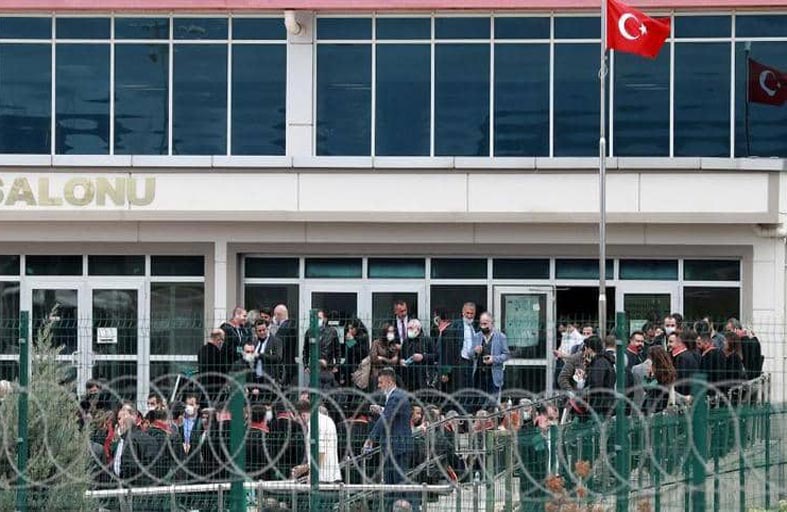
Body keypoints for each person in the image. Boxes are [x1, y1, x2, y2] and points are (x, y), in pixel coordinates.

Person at [365, 367, 413, 485]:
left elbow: (386, 418)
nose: (379, 386)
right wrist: (382, 409)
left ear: (389, 382)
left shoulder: (396, 397)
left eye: (381, 382)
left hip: (397, 446)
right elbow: (393, 413)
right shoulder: (397, 396)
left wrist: (371, 438)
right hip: (396, 445)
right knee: (392, 482)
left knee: (396, 482)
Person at [292, 399, 341, 483]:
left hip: (322, 479)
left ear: (303, 415)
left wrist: (308, 472)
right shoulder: (326, 420)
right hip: (330, 476)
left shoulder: (315, 424)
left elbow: (320, 452)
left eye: (298, 420)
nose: (299, 423)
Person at [470, 312, 510, 404]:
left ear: (492, 323)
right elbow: (470, 354)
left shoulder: (501, 337)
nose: (483, 326)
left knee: (492, 402)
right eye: (481, 324)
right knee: (479, 402)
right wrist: (475, 351)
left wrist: (494, 359)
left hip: (494, 374)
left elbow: (506, 355)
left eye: (485, 324)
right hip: (480, 375)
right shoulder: (477, 336)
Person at [112, 403, 155, 487]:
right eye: (119, 418)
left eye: (124, 416)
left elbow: (129, 468)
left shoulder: (132, 440)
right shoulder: (120, 441)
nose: (121, 421)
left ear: (134, 416)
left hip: (133, 488)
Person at [440, 303, 477, 395]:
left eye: (472, 313)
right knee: (458, 391)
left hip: (472, 363)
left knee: (469, 390)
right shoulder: (454, 326)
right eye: (467, 313)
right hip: (458, 363)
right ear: (463, 312)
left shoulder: (475, 327)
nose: (469, 316)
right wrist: (445, 371)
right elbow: (447, 350)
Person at [302, 310, 340, 385]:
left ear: (325, 319)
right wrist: (306, 365)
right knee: (314, 388)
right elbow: (306, 350)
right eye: (315, 318)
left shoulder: (332, 332)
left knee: (327, 389)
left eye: (319, 318)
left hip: (328, 368)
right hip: (314, 369)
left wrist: (337, 365)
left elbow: (337, 350)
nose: (317, 320)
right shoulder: (309, 332)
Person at [399, 319, 436, 392]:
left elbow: (435, 356)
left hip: (423, 377)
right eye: (408, 328)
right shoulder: (406, 342)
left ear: (418, 329)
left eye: (411, 328)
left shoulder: (427, 340)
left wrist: (423, 357)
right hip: (408, 378)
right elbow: (401, 356)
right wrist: (401, 361)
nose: (409, 331)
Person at [197, 329, 230, 405]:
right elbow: (222, 372)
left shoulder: (201, 350)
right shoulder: (217, 353)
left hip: (204, 387)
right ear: (218, 339)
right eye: (222, 339)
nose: (222, 342)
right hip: (216, 390)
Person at [641, 346, 677, 415]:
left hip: (654, 412)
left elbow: (648, 388)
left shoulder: (659, 378)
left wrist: (648, 377)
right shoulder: (666, 375)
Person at [667, 331, 700, 398]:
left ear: (680, 343)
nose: (668, 344)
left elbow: (682, 381)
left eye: (671, 342)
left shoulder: (682, 358)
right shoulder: (684, 356)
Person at [339, 318, 370, 388]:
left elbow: (361, 353)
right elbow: (348, 352)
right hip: (350, 366)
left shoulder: (363, 337)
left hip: (359, 366)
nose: (350, 331)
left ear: (357, 328)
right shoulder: (351, 337)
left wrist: (352, 341)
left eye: (352, 328)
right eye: (349, 329)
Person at [370, 323, 401, 391]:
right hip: (378, 372)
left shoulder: (393, 345)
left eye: (392, 332)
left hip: (390, 372)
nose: (391, 334)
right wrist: (389, 361)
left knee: (400, 383)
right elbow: (374, 359)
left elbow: (394, 362)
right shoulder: (376, 343)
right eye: (389, 332)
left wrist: (383, 358)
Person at [273, 304, 299, 387]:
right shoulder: (291, 325)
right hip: (289, 365)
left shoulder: (284, 329)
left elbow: (278, 346)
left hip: (284, 367)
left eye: (275, 315)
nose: (274, 318)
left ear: (278, 315)